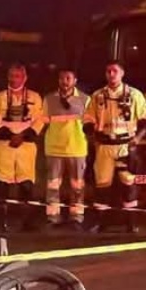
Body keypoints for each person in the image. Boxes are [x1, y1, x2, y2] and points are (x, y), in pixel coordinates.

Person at [83, 61, 146, 233]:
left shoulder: (134, 95)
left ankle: (132, 223)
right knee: (102, 185)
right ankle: (101, 223)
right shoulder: (97, 96)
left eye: (115, 71)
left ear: (122, 73)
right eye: (108, 71)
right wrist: (93, 137)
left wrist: (137, 139)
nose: (111, 74)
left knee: (128, 184)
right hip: (104, 146)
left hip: (125, 146)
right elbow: (87, 120)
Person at [0, 64, 46, 232]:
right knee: (2, 181)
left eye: (18, 76)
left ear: (25, 77)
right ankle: (0, 222)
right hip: (5, 143)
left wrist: (24, 136)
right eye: (11, 75)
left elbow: (39, 120)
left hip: (26, 144)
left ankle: (27, 221)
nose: (14, 79)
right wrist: (8, 135)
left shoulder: (35, 97)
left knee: (26, 182)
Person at [42, 69, 91, 228]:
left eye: (68, 78)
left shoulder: (85, 99)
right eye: (62, 78)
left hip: (77, 147)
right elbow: (42, 123)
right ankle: (53, 217)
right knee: (52, 185)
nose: (65, 81)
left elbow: (90, 124)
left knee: (77, 186)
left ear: (75, 80)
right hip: (54, 148)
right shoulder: (49, 99)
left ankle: (76, 217)